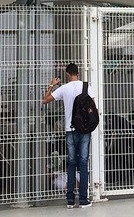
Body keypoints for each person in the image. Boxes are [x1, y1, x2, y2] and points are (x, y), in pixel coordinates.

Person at [42, 63, 94, 209]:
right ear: (78, 73)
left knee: (71, 163)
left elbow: (45, 100)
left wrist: (52, 85)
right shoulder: (86, 86)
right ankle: (83, 200)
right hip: (84, 130)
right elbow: (93, 107)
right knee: (83, 163)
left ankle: (70, 200)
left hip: (70, 129)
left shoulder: (64, 88)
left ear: (68, 74)